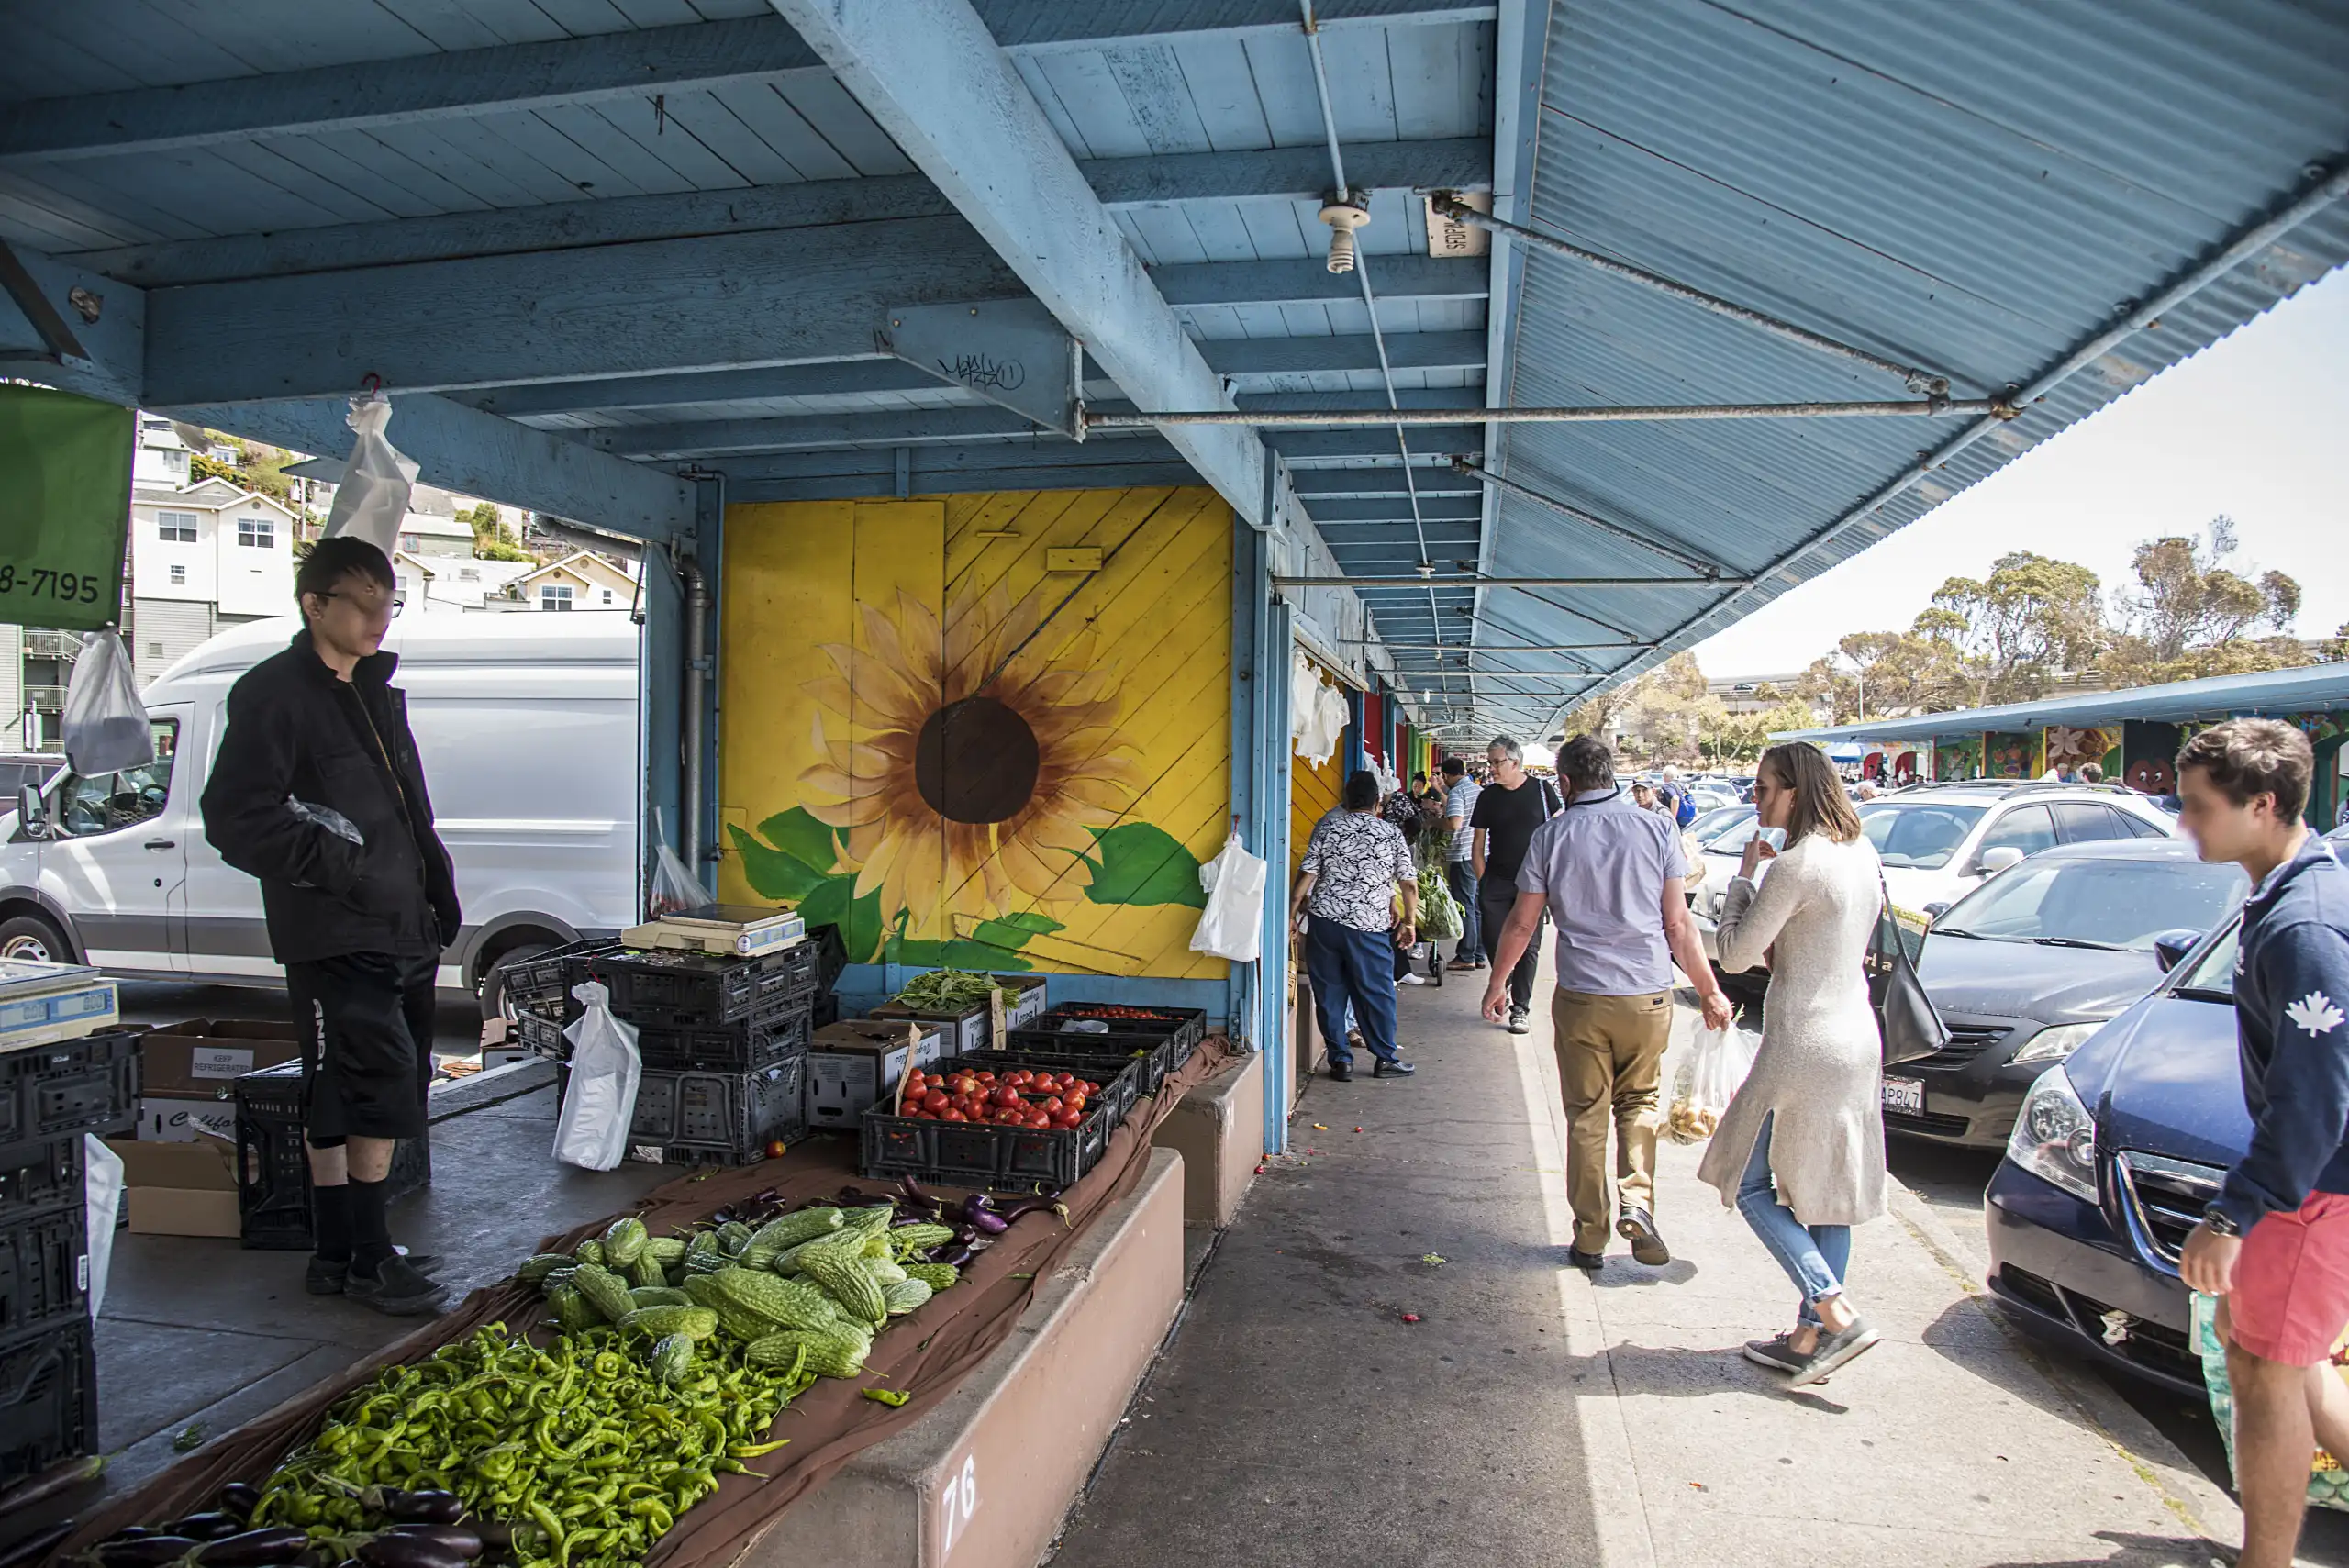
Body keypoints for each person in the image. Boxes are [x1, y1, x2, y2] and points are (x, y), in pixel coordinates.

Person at [201, 538, 460, 1317]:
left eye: (391, 602)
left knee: (358, 1086)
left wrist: (435, 887)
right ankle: (371, 1257)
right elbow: (235, 816)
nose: (380, 617)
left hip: (400, 921)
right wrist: (339, 866)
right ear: (315, 604)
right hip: (335, 926)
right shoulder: (274, 694)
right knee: (373, 1083)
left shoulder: (370, 688)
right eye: (364, 601)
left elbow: (405, 807)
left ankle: (337, 1249)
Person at [2172, 720, 2349, 1568]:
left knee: (2266, 1368)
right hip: (2307, 1185)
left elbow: (2315, 1097)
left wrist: (2233, 1215)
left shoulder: (2305, 924)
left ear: (2264, 804)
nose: (2184, 823)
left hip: (2315, 1190)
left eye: (2200, 806)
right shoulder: (2287, 897)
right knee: (2274, 1354)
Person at [1485, 737, 1733, 1269]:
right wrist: (1708, 989)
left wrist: (1498, 981)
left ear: (1565, 783)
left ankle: (1591, 1236)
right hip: (1648, 995)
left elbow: (1524, 923)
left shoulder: (1552, 835)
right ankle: (1638, 1202)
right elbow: (1678, 925)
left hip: (1583, 997)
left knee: (1586, 1115)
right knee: (1639, 1103)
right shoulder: (1657, 828)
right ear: (1611, 774)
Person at [1696, 742, 1887, 1386]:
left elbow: (1734, 954)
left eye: (1762, 789)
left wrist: (1744, 879)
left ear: (1795, 792)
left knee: (1747, 1180)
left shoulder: (1797, 865)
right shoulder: (1861, 853)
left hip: (1804, 1041)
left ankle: (1834, 1309)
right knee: (1829, 1197)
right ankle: (1810, 1339)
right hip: (1857, 1036)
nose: (1755, 800)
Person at [1292, 770, 1420, 1082]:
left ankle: (1340, 1060)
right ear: (1377, 803)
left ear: (1346, 801)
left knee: (1330, 992)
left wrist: (1290, 916)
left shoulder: (1329, 827)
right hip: (1369, 927)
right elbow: (1409, 884)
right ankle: (1385, 1058)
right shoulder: (1390, 833)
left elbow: (1307, 875)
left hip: (1325, 923)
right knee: (1376, 993)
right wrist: (1409, 922)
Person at [1471, 736, 1563, 1035]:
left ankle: (1520, 1008)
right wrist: (1483, 880)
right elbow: (1478, 844)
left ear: (1515, 762)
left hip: (1533, 884)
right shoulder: (1488, 796)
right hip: (1496, 881)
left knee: (1530, 946)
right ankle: (1503, 983)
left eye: (1497, 762)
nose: (1492, 768)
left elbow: (1557, 833)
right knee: (1494, 941)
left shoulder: (1542, 791)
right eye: (1490, 762)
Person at [1442, 758, 1485, 972]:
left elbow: (1455, 823)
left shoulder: (1457, 792)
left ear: (1446, 775)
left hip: (1462, 855)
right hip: (1480, 855)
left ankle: (1466, 955)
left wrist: (1434, 823)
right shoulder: (1478, 790)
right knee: (1476, 906)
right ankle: (1478, 954)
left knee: (1465, 906)